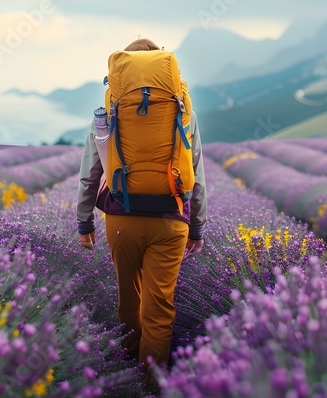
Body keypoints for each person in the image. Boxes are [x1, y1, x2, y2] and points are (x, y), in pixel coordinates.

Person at [75, 38, 207, 390]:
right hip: (171, 220)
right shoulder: (182, 109)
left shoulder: (110, 109)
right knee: (160, 307)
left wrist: (84, 222)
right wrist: (196, 227)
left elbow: (91, 173)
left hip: (121, 218)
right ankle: (151, 385)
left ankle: (128, 373)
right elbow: (196, 175)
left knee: (128, 298)